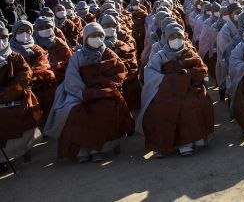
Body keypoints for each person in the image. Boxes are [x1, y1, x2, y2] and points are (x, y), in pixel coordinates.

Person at [44, 23, 133, 163]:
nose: (96, 39)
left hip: (105, 93)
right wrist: (84, 94)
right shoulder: (77, 56)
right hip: (80, 94)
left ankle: (98, 149)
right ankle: (81, 150)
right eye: (93, 36)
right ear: (85, 38)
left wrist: (102, 90)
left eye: (99, 35)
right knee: (73, 110)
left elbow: (119, 74)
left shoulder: (109, 53)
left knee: (103, 109)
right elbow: (72, 80)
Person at [137, 23, 212, 157]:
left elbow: (201, 70)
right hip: (166, 91)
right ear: (166, 38)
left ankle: (187, 143)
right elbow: (150, 73)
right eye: (172, 36)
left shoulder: (190, 53)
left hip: (187, 90)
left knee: (188, 105)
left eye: (179, 36)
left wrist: (188, 77)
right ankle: (160, 145)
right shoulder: (160, 55)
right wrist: (172, 80)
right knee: (159, 109)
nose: (176, 39)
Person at [0, 21, 42, 166]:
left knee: (17, 113)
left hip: (17, 96)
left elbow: (24, 76)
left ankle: (14, 154)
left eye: (4, 37)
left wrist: (5, 95)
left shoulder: (16, 57)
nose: (1, 41)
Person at [10, 20, 57, 119]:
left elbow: (42, 64)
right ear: (14, 33)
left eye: (28, 31)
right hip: (17, 82)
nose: (25, 34)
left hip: (36, 80)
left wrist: (30, 78)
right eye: (21, 31)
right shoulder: (9, 50)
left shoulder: (36, 48)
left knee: (50, 77)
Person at [100, 15, 141, 112]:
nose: (110, 28)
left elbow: (132, 66)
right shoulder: (96, 47)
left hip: (127, 88)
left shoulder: (123, 45)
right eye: (106, 26)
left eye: (112, 25)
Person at [33, 16, 72, 85]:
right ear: (36, 30)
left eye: (48, 27)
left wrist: (56, 68)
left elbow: (69, 61)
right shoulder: (33, 45)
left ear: (53, 28)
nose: (45, 30)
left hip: (62, 80)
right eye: (41, 28)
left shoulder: (59, 42)